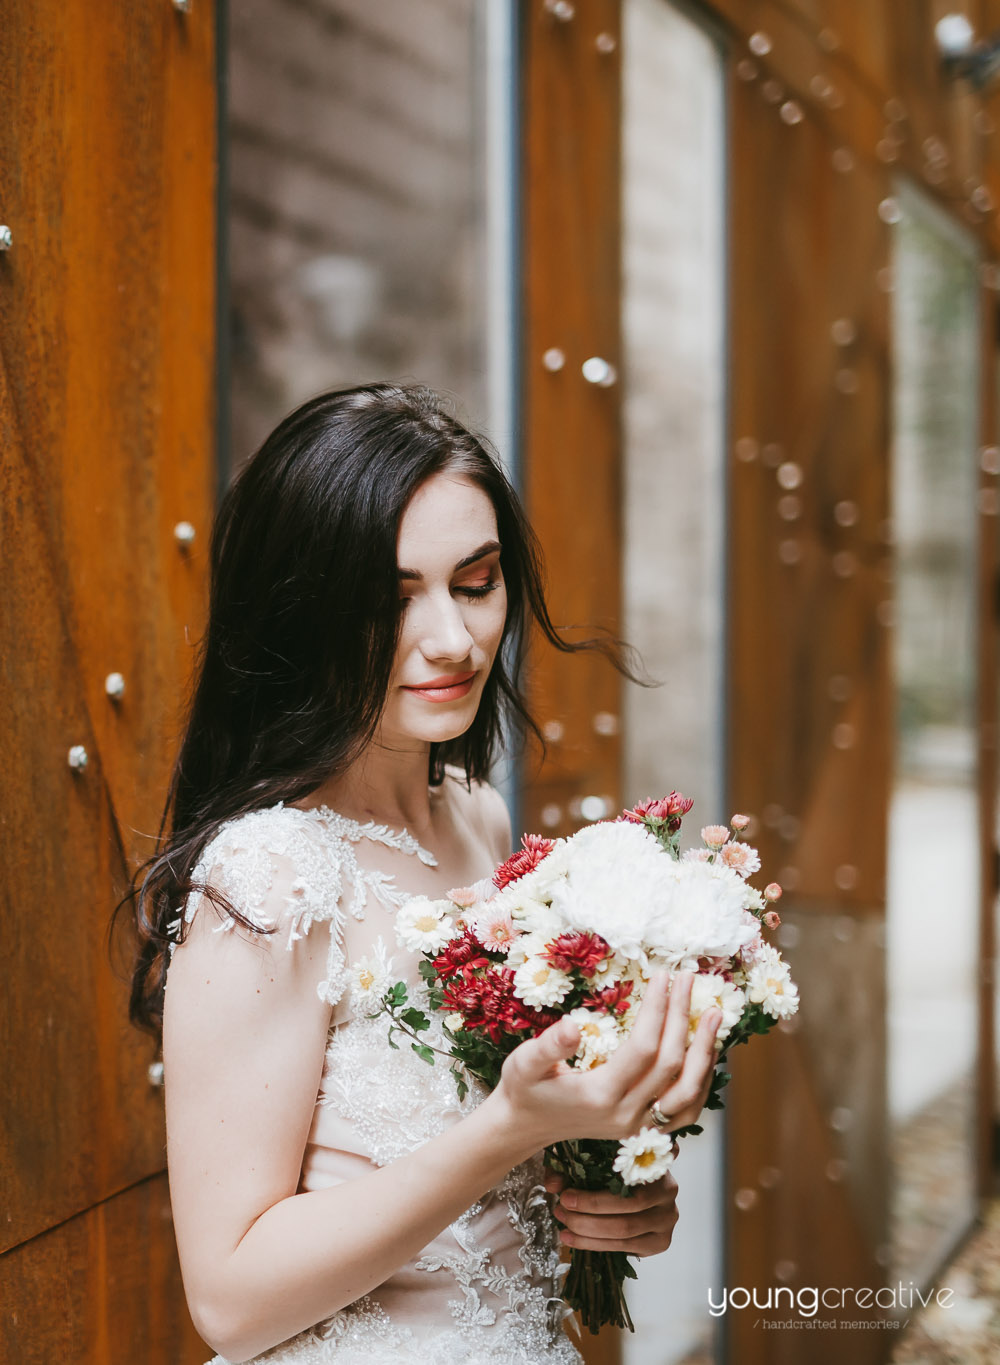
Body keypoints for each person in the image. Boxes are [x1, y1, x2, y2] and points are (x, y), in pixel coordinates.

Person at [126, 384, 724, 1364]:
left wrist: (603, 1186)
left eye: (474, 581)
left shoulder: (476, 814)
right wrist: (503, 1130)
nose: (450, 640)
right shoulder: (269, 873)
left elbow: (479, 1191)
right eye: (387, 599)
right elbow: (229, 1303)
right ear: (299, 609)